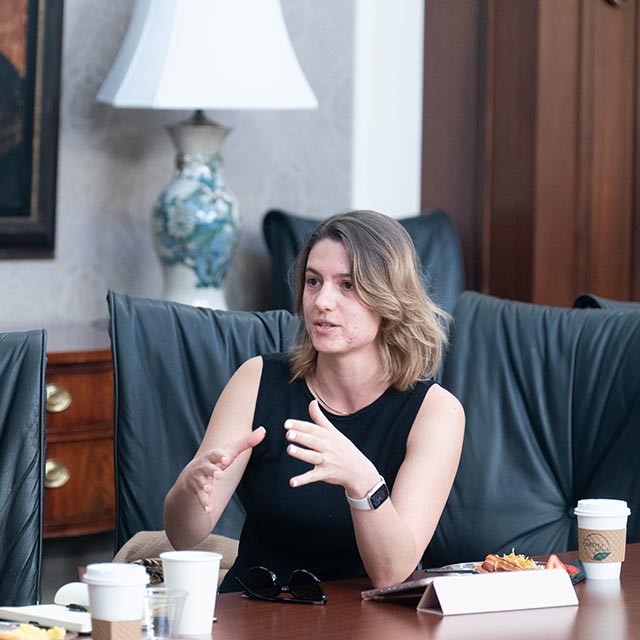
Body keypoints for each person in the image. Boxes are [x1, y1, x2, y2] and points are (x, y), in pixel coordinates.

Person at [164, 209, 465, 593]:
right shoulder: (257, 379)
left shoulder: (436, 413)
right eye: (313, 281)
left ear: (390, 298)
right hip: (255, 610)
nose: (322, 301)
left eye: (347, 285)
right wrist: (189, 489)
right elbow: (183, 536)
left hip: (364, 624)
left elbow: (392, 574)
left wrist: (362, 481)